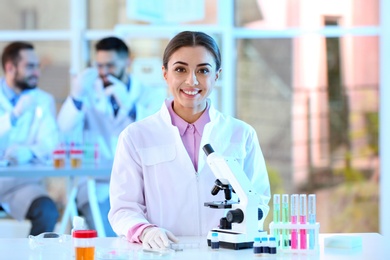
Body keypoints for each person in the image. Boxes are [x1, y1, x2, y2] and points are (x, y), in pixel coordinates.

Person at [108, 31, 271, 249]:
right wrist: (145, 231)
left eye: (203, 70)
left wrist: (239, 231)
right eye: (180, 69)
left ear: (217, 75)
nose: (191, 80)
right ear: (165, 73)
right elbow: (123, 208)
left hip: (225, 252)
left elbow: (258, 198)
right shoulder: (136, 136)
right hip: (164, 252)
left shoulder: (242, 135)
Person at [57, 36, 165, 237]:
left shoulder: (149, 95)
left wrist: (131, 108)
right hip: (95, 183)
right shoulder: (88, 93)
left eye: (110, 66)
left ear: (128, 62)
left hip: (138, 182)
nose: (104, 72)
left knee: (142, 229)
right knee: (107, 232)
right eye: (99, 66)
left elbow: (156, 135)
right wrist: (77, 97)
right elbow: (64, 128)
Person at [0, 41, 59, 236]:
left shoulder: (43, 100)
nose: (37, 72)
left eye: (37, 66)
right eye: (30, 66)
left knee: (47, 211)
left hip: (22, 185)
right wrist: (13, 117)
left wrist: (29, 152)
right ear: (10, 68)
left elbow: (51, 145)